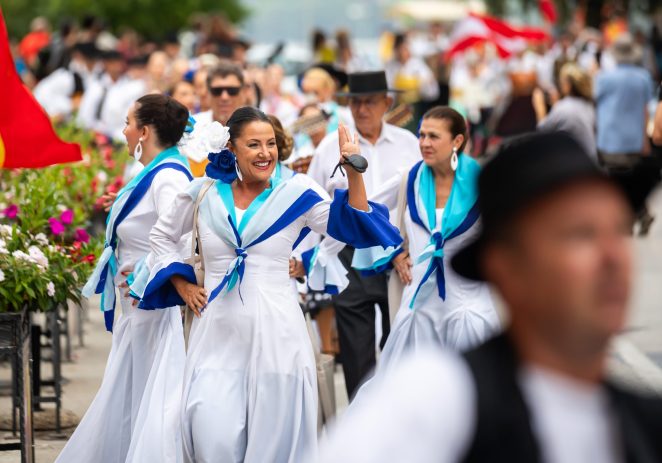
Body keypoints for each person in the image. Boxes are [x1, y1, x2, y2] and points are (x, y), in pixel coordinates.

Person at [318, 131, 662, 463]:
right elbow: (367, 219)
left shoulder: (644, 423)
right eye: (580, 235)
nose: (613, 257)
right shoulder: (435, 404)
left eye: (620, 231)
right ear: (509, 266)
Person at [135, 106, 401, 462]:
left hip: (278, 338)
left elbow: (353, 225)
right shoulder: (203, 193)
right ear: (231, 149)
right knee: (210, 433)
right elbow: (162, 236)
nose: (265, 153)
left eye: (271, 144)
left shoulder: (297, 192)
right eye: (254, 145)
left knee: (274, 447)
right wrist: (182, 285)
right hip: (216, 337)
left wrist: (353, 168)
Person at [56, 94, 193, 463]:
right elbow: (153, 218)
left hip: (148, 303)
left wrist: (148, 268)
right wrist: (122, 202)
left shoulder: (168, 176)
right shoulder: (156, 172)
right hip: (135, 306)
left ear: (144, 132)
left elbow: (181, 236)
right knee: (132, 387)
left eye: (129, 122)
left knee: (149, 389)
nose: (124, 130)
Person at [350, 106, 499, 380]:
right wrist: (395, 250)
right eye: (421, 135)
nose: (424, 143)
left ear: (457, 141)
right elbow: (364, 210)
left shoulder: (485, 181)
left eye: (433, 136)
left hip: (469, 308)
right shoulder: (410, 177)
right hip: (419, 307)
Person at [308, 70, 420, 399]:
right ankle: (360, 419)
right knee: (356, 351)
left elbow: (418, 199)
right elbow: (314, 202)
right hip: (348, 253)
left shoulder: (408, 143)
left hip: (398, 254)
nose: (361, 110)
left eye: (369, 102)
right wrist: (310, 260)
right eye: (355, 103)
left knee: (400, 340)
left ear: (387, 102)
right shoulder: (330, 147)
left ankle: (399, 414)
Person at [77, 50, 146, 142]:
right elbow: (85, 115)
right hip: (97, 135)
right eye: (113, 63)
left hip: (121, 137)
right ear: (105, 64)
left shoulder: (129, 86)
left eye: (119, 62)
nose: (117, 66)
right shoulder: (97, 87)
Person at [533, 63, 597, 158]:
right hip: (591, 159)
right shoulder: (587, 105)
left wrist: (539, 106)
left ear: (568, 85)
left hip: (575, 163)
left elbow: (542, 130)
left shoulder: (563, 107)